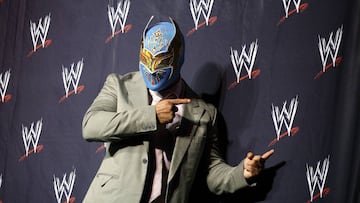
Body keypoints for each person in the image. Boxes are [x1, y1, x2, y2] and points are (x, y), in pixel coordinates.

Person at [82, 17, 274, 203]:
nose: (153, 69)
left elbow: (211, 172)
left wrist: (243, 173)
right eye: (147, 57)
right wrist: (152, 116)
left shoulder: (204, 113)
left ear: (179, 57)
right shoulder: (119, 85)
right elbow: (91, 126)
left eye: (162, 59)